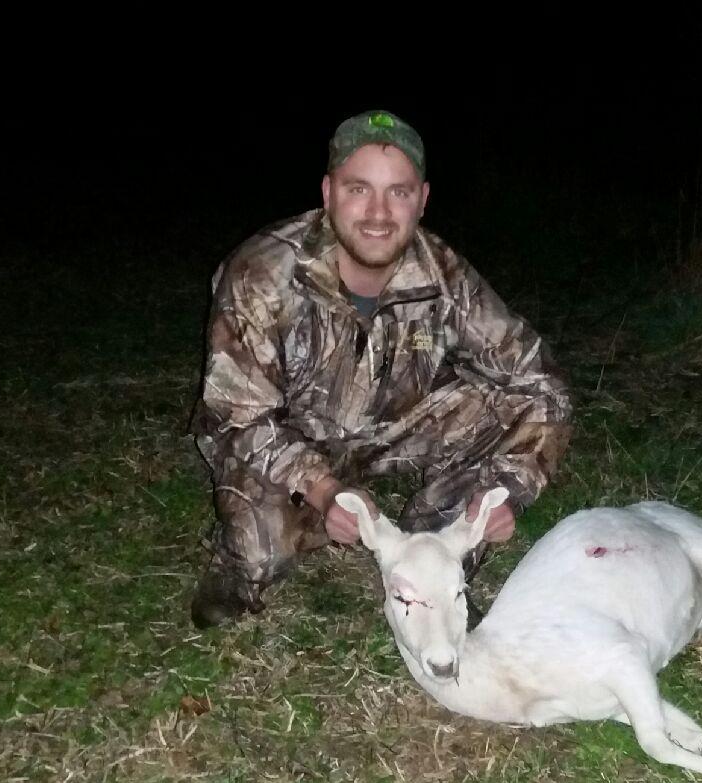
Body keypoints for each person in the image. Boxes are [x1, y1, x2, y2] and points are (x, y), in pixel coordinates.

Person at [188, 109, 573, 628]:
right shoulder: (261, 273)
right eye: (358, 189)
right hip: (287, 437)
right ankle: (237, 564)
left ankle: (437, 556)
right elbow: (239, 417)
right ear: (328, 193)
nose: (378, 213)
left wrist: (506, 490)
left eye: (399, 192)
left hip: (388, 427)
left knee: (528, 408)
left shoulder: (443, 274)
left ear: (422, 200)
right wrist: (324, 490)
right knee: (262, 550)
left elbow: (539, 382)